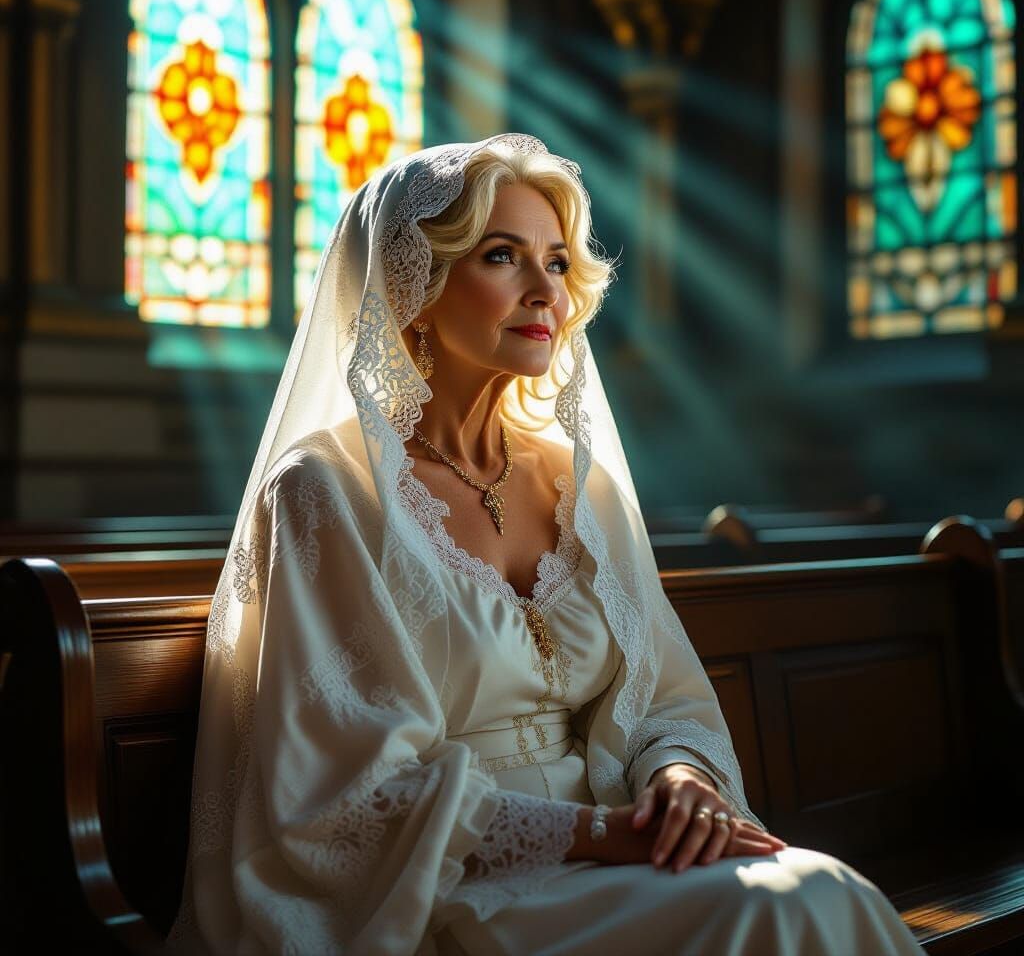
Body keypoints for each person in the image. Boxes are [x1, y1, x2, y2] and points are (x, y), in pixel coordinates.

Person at [165, 133, 925, 955]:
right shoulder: (325, 493)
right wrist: (602, 833)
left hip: (625, 845)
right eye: (501, 256)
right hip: (441, 888)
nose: (544, 294)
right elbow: (346, 795)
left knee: (817, 888)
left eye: (558, 263)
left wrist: (681, 780)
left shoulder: (581, 485)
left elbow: (663, 699)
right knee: (787, 905)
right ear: (413, 286)